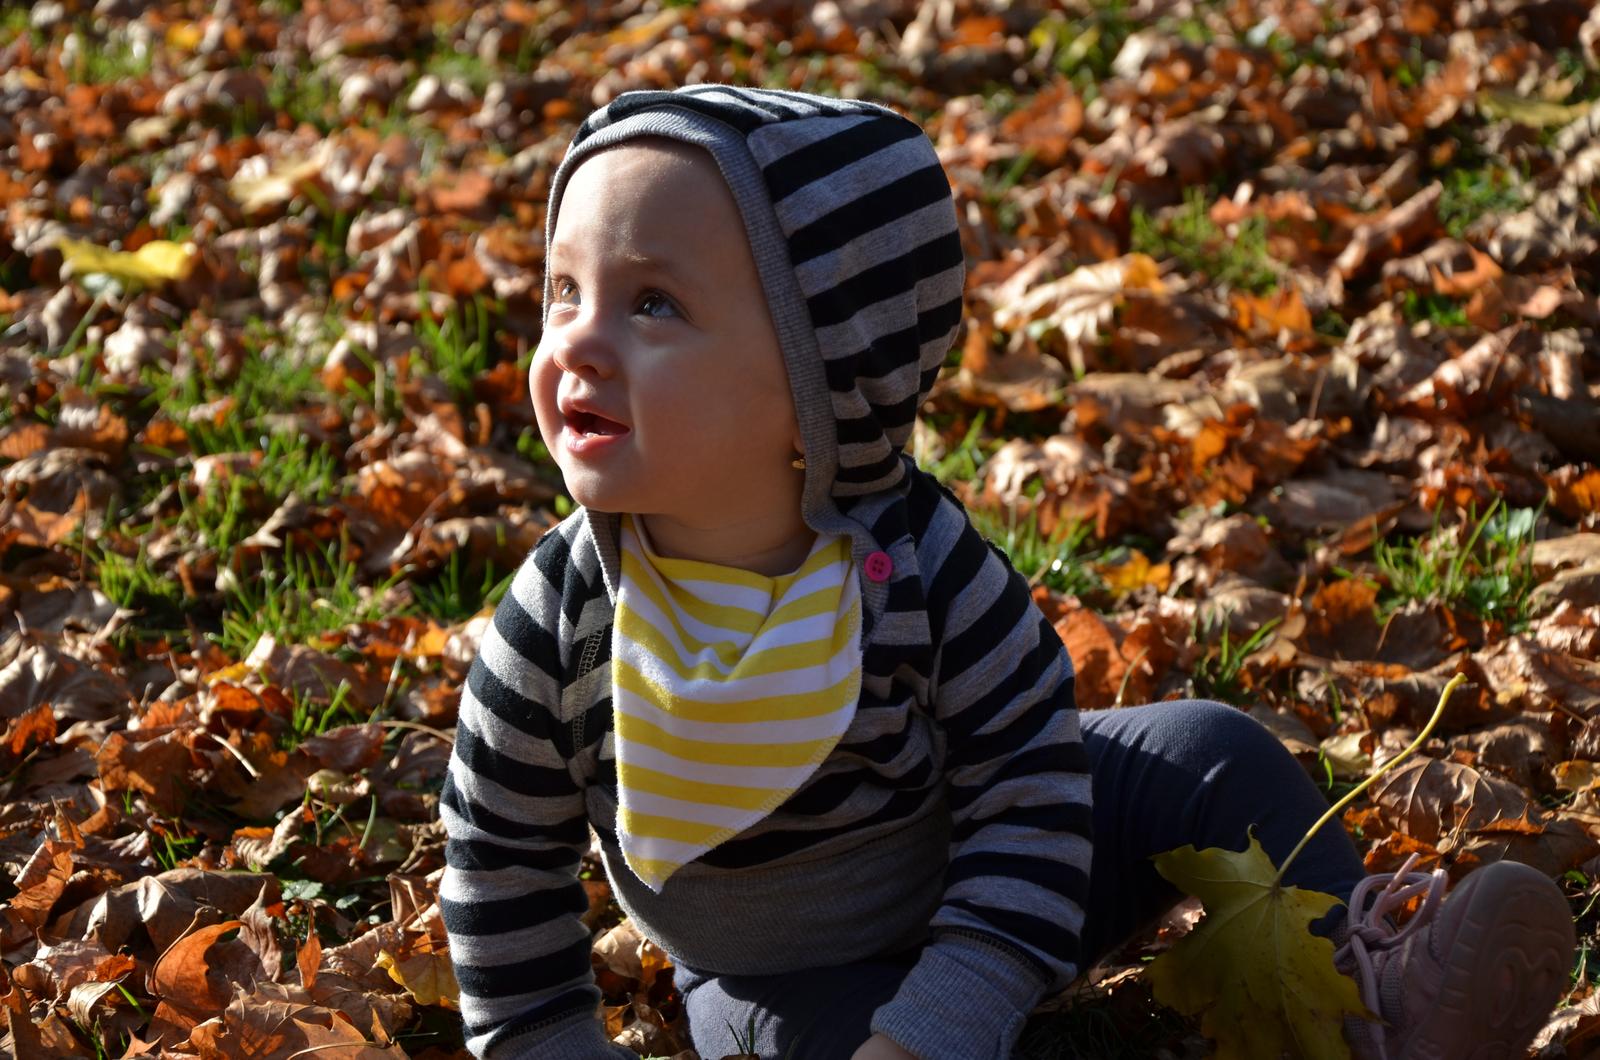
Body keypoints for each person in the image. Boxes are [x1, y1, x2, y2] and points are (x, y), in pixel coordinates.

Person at [438, 83, 1575, 1060]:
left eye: (653, 304)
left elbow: (1031, 788)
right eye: (564, 291)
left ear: (827, 375)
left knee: (1210, 749)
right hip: (777, 974)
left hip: (1005, 882)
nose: (575, 342)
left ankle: (1364, 991)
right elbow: (499, 862)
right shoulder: (562, 620)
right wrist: (548, 1043)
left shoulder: (916, 567)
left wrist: (957, 1000)